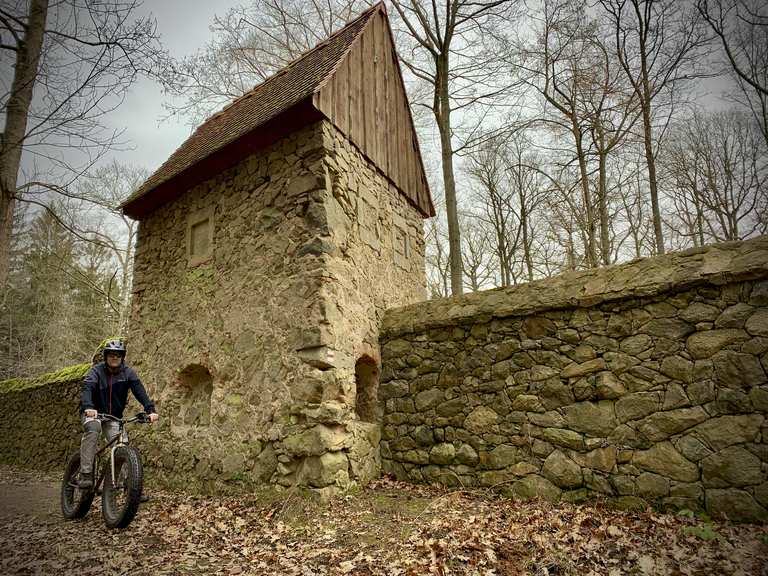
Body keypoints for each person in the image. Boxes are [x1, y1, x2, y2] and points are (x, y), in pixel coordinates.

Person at [79, 339, 159, 488]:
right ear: (106, 357)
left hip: (113, 417)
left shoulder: (128, 373)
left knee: (122, 445)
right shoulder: (96, 371)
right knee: (93, 430)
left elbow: (139, 391)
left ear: (122, 357)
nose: (114, 358)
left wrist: (150, 409)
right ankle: (86, 473)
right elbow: (87, 388)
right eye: (111, 355)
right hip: (93, 413)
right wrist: (88, 406)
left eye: (118, 355)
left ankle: (131, 487)